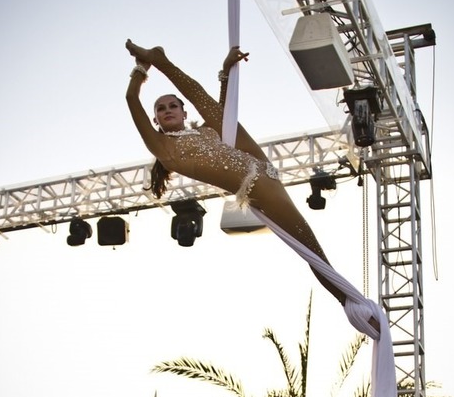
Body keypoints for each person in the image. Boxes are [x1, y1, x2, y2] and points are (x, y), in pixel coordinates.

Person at [124, 40, 349, 307]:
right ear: (155, 120)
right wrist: (141, 69)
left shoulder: (206, 131)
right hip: (257, 187)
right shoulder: (163, 148)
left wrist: (226, 72)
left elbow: (224, 111)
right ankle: (351, 304)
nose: (167, 110)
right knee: (314, 253)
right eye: (161, 109)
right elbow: (131, 99)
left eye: (173, 105)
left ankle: (163, 60)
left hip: (262, 164)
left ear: (184, 113)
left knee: (208, 103)